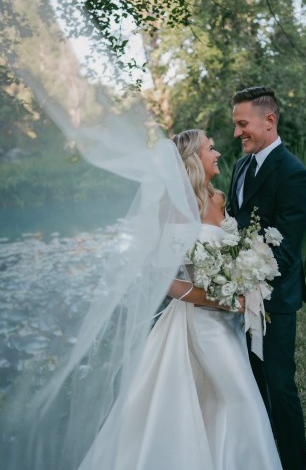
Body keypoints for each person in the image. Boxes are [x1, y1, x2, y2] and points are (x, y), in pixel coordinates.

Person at [78, 129, 282, 470]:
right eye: (210, 148)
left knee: (216, 402)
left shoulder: (217, 199)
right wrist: (218, 298)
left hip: (231, 321)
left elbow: (230, 254)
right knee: (240, 397)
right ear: (192, 160)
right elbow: (164, 280)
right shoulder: (173, 209)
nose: (217, 152)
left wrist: (246, 281)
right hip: (203, 322)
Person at [227, 87, 306, 470]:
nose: (236, 133)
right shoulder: (240, 167)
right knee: (252, 385)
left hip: (274, 302)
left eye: (242, 124)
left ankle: (296, 464)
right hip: (237, 298)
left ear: (269, 120)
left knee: (279, 386)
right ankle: (264, 458)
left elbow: (287, 249)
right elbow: (233, 227)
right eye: (235, 125)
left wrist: (251, 288)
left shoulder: (295, 174)